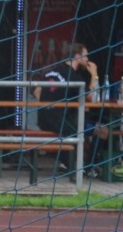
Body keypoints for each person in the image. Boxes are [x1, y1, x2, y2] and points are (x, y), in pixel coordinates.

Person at [38, 41, 101, 177]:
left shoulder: (52, 71)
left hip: (43, 119)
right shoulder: (72, 76)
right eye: (85, 55)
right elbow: (90, 97)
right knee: (102, 130)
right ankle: (88, 166)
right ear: (77, 56)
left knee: (81, 125)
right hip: (61, 122)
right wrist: (94, 75)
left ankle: (68, 162)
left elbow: (37, 91)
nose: (87, 59)